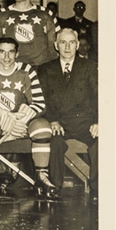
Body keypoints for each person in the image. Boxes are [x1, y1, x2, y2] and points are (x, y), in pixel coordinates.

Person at [0, 37, 58, 198]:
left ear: (17, 53)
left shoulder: (26, 71)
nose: (6, 57)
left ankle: (42, 175)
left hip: (21, 122)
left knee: (43, 128)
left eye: (11, 52)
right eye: (2, 52)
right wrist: (5, 119)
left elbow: (39, 103)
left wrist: (19, 120)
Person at [37, 28, 99, 203]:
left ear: (78, 45)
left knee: (99, 141)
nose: (67, 47)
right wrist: (52, 120)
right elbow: (42, 99)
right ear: (56, 45)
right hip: (59, 121)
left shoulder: (89, 67)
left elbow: (98, 96)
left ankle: (97, 188)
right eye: (63, 42)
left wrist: (98, 121)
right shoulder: (45, 69)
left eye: (72, 42)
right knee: (54, 141)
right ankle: (54, 188)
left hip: (84, 121)